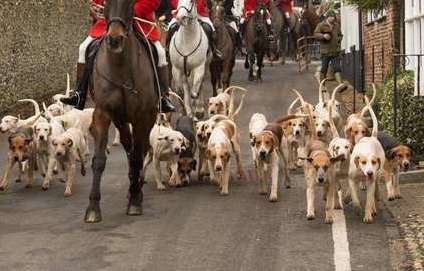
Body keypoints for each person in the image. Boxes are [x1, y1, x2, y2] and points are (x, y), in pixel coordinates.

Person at [61, 0, 175, 112]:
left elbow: (153, 2)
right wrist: (96, 5)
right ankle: (79, 94)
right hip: (111, 20)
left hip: (140, 21)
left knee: (160, 53)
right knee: (83, 48)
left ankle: (163, 97)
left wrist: (131, 10)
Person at [313, 10, 343, 83]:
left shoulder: (336, 25)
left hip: (335, 51)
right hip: (325, 51)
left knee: (337, 68)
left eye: (333, 17)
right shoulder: (321, 25)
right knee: (324, 68)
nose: (333, 18)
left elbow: (340, 35)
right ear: (327, 17)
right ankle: (322, 85)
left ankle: (340, 85)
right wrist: (323, 36)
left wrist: (338, 40)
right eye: (331, 17)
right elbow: (315, 34)